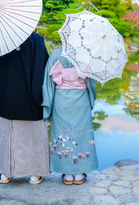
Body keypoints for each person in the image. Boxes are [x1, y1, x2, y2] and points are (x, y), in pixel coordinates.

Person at [0, 31, 50, 184]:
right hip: (30, 97)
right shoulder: (35, 39)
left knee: (10, 135)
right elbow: (42, 68)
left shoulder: (1, 38)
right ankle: (35, 173)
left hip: (8, 96)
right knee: (33, 135)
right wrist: (38, 96)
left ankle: (7, 173)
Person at [42, 48, 99, 185]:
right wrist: (91, 99)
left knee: (63, 133)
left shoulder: (56, 53)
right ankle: (79, 174)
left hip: (61, 100)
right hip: (81, 99)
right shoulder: (86, 53)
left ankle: (67, 175)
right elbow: (91, 82)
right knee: (81, 133)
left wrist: (47, 106)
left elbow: (48, 82)